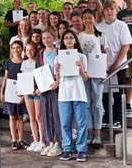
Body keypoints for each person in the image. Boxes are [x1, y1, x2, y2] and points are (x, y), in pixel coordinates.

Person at [96, 0, 132, 128]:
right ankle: (107, 118)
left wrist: (116, 64)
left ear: (116, 10)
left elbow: (126, 45)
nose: (109, 11)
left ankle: (118, 119)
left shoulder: (121, 25)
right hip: (103, 66)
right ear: (103, 11)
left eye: (111, 9)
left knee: (117, 93)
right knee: (104, 93)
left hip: (119, 66)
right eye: (106, 9)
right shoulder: (99, 27)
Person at [55, 30, 89, 162]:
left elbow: (85, 78)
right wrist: (57, 70)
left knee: (81, 123)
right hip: (64, 94)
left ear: (75, 40)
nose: (69, 40)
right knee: (65, 123)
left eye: (71, 38)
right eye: (66, 38)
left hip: (79, 93)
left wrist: (80, 68)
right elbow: (57, 80)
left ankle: (81, 150)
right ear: (63, 41)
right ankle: (67, 149)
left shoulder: (81, 57)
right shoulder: (58, 57)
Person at [78, 9, 108, 144]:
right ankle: (89, 132)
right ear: (82, 20)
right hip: (84, 73)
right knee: (87, 103)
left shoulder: (100, 36)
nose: (88, 21)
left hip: (97, 74)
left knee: (97, 103)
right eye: (85, 18)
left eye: (90, 18)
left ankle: (98, 133)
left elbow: (106, 53)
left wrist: (104, 70)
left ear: (94, 18)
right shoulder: (79, 36)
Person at [36, 31, 62, 157]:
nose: (46, 40)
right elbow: (37, 71)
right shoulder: (41, 53)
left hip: (56, 85)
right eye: (44, 38)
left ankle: (58, 143)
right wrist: (37, 87)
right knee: (46, 114)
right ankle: (50, 142)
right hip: (44, 87)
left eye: (48, 37)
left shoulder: (59, 52)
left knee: (56, 114)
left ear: (54, 38)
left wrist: (59, 81)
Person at [0, 40, 29, 150]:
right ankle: (14, 140)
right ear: (11, 49)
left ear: (22, 49)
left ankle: (21, 139)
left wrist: (24, 95)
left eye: (18, 48)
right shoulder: (8, 62)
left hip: (21, 92)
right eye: (14, 48)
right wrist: (2, 91)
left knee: (20, 116)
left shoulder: (25, 62)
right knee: (12, 116)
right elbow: (5, 78)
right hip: (10, 91)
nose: (16, 50)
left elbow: (26, 79)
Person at [21, 42, 45, 152]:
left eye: (31, 50)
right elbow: (23, 78)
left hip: (37, 92)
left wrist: (39, 88)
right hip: (28, 92)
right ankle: (35, 141)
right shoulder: (24, 63)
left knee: (39, 117)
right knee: (31, 117)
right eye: (27, 50)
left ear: (34, 50)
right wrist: (21, 90)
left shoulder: (39, 62)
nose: (29, 52)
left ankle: (42, 141)